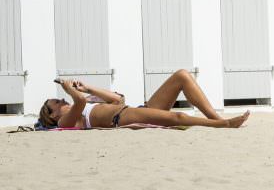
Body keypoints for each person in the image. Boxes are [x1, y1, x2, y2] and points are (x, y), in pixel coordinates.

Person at [38, 69, 249, 130]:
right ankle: (222, 124)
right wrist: (70, 91)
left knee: (182, 76)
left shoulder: (83, 102)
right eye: (55, 103)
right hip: (123, 118)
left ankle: (215, 118)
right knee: (177, 116)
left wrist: (87, 87)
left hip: (132, 109)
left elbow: (118, 99)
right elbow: (80, 102)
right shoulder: (66, 122)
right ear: (52, 115)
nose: (60, 101)